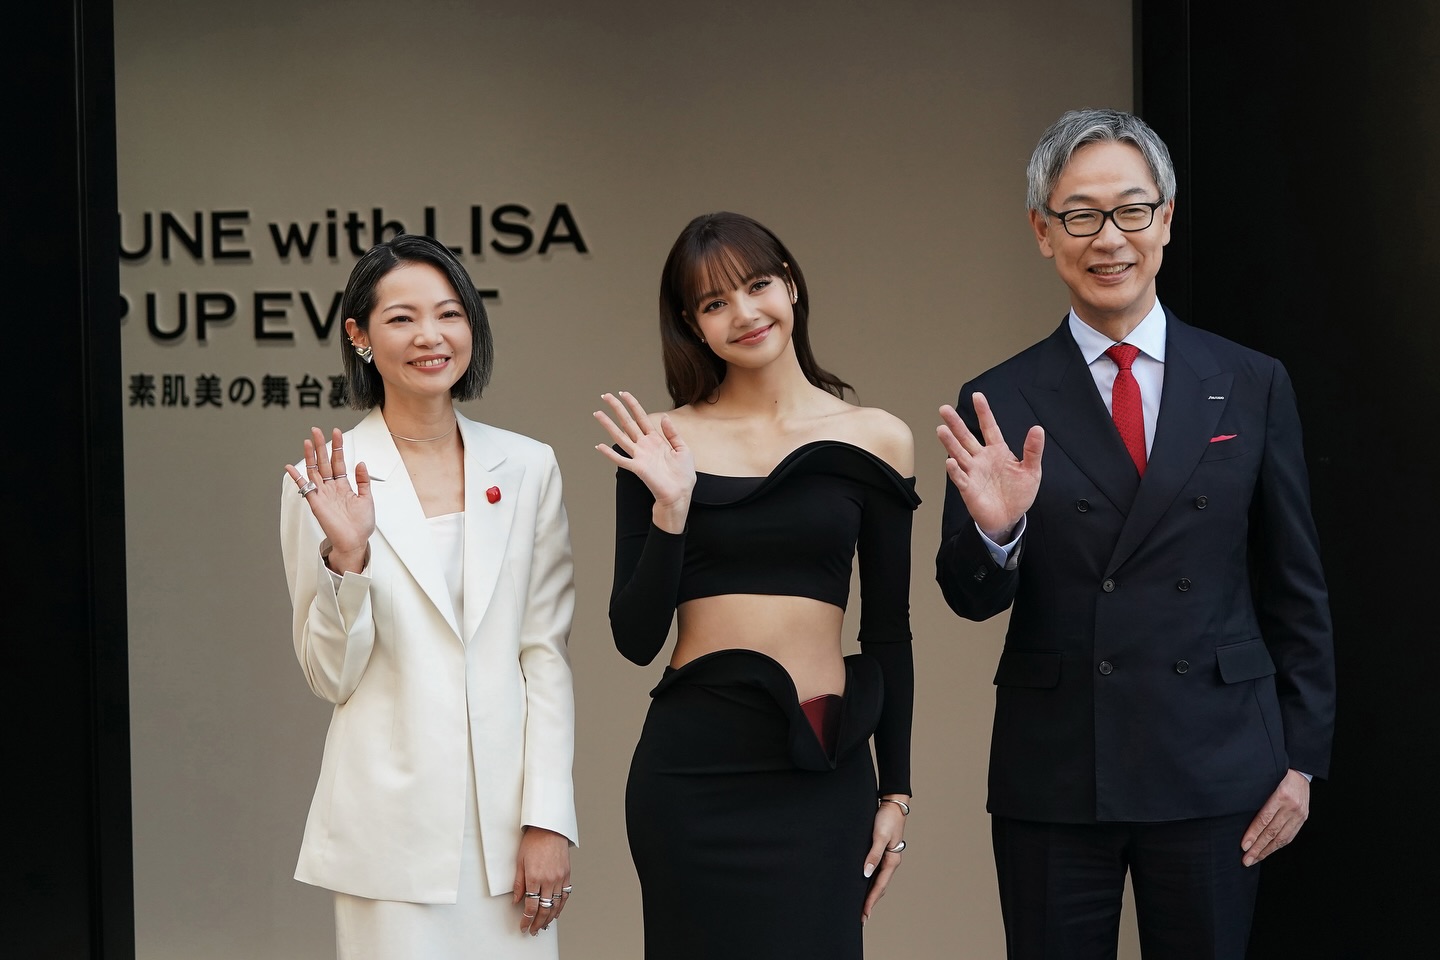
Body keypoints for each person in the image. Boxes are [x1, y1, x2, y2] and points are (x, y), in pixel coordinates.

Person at [934, 108, 1335, 959]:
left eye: (1131, 210)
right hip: (1057, 770)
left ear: (1167, 219)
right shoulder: (1000, 396)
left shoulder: (1250, 381)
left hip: (1217, 759)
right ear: (1043, 231)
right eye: (1080, 215)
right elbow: (968, 599)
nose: (1109, 238)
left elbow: (1294, 584)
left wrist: (1301, 758)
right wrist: (998, 533)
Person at [593, 212, 918, 959]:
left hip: (820, 763)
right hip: (694, 770)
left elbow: (888, 629)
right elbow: (635, 639)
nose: (743, 313)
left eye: (757, 285)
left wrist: (896, 791)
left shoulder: (878, 436)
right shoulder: (659, 441)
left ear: (791, 286)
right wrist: (671, 509)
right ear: (693, 325)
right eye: (714, 303)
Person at [280, 234, 578, 958]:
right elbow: (329, 676)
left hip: (507, 834)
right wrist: (347, 560)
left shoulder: (528, 465)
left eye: (449, 314)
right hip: (390, 833)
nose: (430, 336)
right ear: (359, 335)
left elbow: (544, 655)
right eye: (402, 318)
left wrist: (548, 817)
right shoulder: (325, 481)